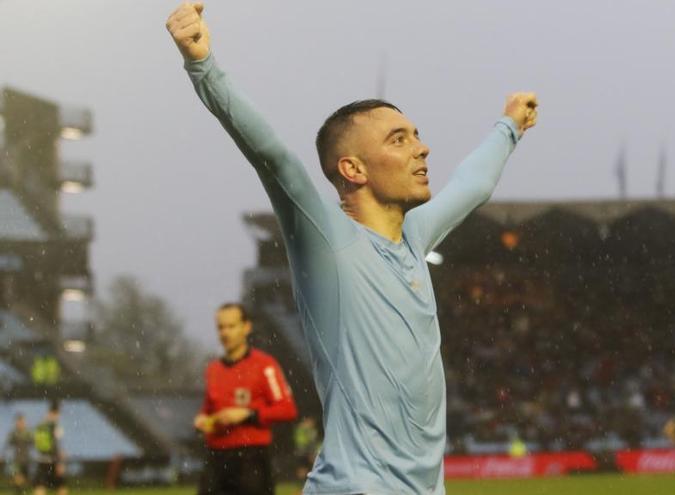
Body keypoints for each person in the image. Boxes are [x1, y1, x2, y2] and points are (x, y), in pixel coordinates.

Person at [166, 3, 538, 493]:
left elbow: (472, 185)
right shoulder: (329, 242)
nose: (422, 149)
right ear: (353, 169)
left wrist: (509, 126)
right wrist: (204, 66)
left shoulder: (414, 236)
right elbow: (273, 156)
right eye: (399, 139)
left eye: (418, 136)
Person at [194, 302, 298, 495]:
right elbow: (208, 408)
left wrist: (247, 414)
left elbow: (287, 408)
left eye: (231, 326)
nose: (225, 333)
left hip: (251, 458)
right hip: (216, 457)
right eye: (221, 327)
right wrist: (202, 419)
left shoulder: (265, 365)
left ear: (246, 327)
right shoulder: (213, 369)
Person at [32, 400, 66, 495]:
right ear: (57, 411)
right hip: (53, 459)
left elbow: (36, 440)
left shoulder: (41, 422)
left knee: (40, 485)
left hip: (41, 458)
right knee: (61, 486)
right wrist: (60, 462)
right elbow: (56, 443)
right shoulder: (54, 424)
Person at [4, 413, 32, 495]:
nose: (21, 423)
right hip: (16, 460)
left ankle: (21, 491)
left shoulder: (28, 433)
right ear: (16, 422)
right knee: (18, 479)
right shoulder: (13, 433)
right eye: (19, 421)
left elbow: (33, 444)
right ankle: (19, 491)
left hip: (26, 460)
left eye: (23, 421)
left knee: (24, 480)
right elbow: (8, 446)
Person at [292, 417, 320, 483]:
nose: (311, 423)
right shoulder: (301, 430)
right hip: (303, 453)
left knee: (309, 469)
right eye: (309, 421)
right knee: (302, 470)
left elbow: (314, 442)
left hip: (309, 453)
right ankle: (301, 485)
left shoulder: (312, 430)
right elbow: (302, 442)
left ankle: (307, 484)